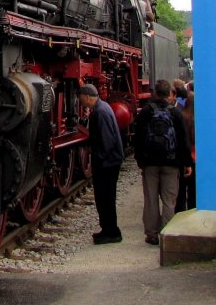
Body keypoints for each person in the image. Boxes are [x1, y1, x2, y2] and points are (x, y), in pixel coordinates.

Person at [133, 78, 192, 245]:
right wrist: (187, 162)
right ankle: (167, 234)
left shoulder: (145, 112)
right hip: (171, 163)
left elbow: (137, 138)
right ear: (170, 94)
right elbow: (183, 139)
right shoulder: (176, 113)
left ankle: (151, 234)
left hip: (150, 163)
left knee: (151, 199)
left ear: (155, 93)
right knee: (169, 200)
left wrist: (140, 159)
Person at [80, 83, 125, 244]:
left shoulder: (101, 112)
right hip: (109, 161)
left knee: (106, 198)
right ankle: (107, 229)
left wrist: (97, 161)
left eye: (80, 97)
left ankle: (112, 232)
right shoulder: (102, 108)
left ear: (87, 96)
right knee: (104, 198)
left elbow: (107, 140)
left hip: (108, 163)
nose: (80, 101)